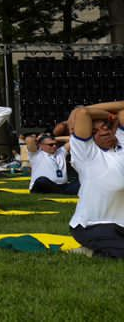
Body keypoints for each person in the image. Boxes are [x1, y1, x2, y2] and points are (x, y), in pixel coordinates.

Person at [65, 99, 124, 258]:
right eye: (95, 131)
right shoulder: (86, 153)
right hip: (93, 225)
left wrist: (110, 118)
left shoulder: (121, 144)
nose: (103, 131)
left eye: (104, 127)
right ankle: (90, 251)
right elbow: (83, 114)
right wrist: (79, 111)